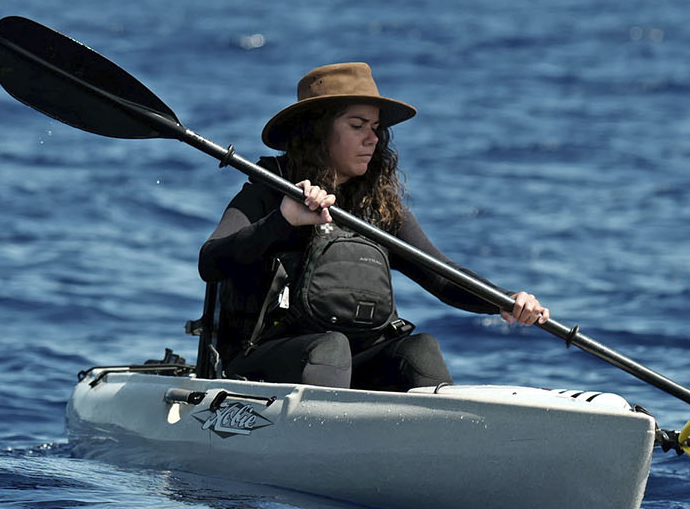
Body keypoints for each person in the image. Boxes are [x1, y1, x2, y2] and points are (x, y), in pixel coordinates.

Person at [198, 61, 549, 391]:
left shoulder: (377, 207)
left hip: (352, 364)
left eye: (375, 128)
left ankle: (444, 441)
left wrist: (503, 300)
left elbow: (442, 276)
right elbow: (211, 261)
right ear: (317, 131)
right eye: (357, 126)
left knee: (419, 349)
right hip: (266, 361)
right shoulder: (268, 194)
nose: (373, 139)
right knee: (329, 348)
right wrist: (283, 220)